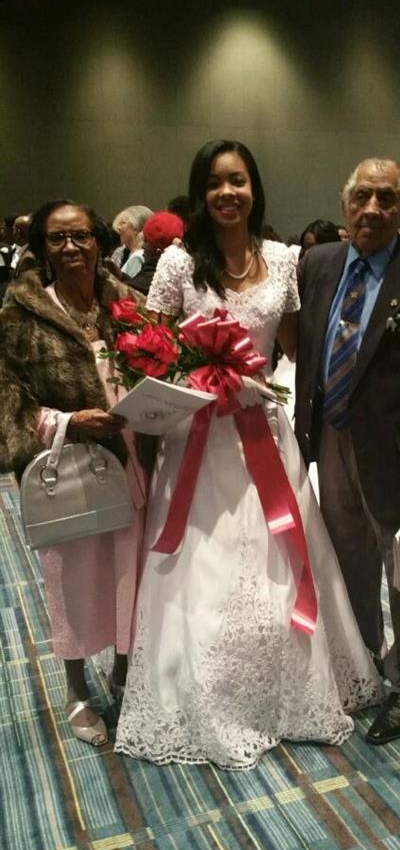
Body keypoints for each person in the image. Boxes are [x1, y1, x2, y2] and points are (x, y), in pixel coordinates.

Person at [115, 139, 383, 769]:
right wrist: (191, 378)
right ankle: (204, 694)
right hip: (198, 436)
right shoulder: (180, 262)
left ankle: (287, 690)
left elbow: (294, 345)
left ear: (254, 188)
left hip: (263, 430)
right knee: (200, 564)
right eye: (214, 182)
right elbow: (151, 346)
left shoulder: (284, 260)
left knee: (278, 558)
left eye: (237, 180)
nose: (226, 193)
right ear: (200, 193)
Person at [295, 157, 400, 745]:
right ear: (345, 206)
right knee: (349, 561)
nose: (372, 208)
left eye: (387, 198)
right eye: (362, 196)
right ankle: (364, 660)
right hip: (331, 439)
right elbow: (309, 352)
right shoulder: (317, 264)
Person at [0, 200, 147, 746]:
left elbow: (165, 364)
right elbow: (8, 403)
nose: (70, 248)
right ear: (42, 248)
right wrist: (69, 421)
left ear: (99, 241)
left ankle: (126, 672)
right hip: (69, 467)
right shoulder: (20, 318)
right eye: (57, 239)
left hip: (133, 460)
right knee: (73, 579)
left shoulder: (128, 303)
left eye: (80, 236)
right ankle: (76, 687)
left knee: (131, 574)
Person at [111, 205, 154, 278]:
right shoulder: (119, 253)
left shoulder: (143, 255)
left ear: (137, 227)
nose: (118, 228)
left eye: (123, 223)